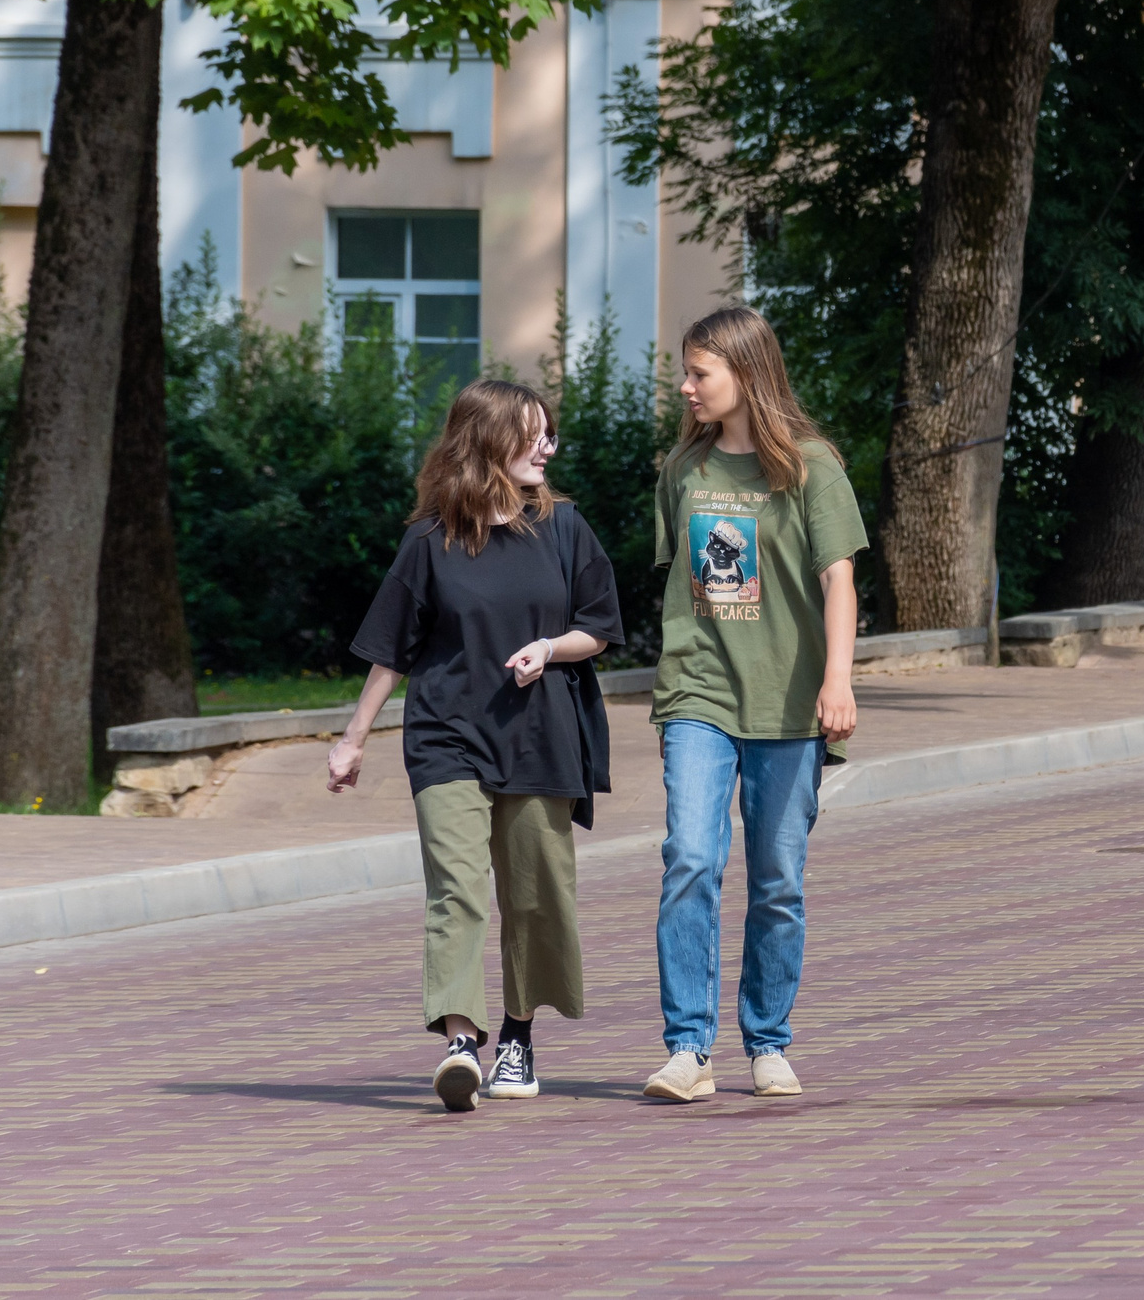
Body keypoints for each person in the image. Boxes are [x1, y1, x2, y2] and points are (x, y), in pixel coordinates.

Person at [327, 379, 625, 1113]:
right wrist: (352, 739)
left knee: (534, 896)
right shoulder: (432, 538)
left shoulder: (565, 527)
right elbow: (391, 649)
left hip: (539, 735)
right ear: (487, 438)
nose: (546, 446)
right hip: (446, 735)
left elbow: (600, 627)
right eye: (532, 433)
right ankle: (462, 1038)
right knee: (457, 889)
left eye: (550, 433)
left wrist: (551, 648)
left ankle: (518, 1036)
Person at [642, 305, 864, 1105]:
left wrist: (837, 680)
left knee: (777, 879)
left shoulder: (810, 468)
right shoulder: (684, 471)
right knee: (691, 859)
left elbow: (839, 581)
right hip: (698, 693)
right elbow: (683, 587)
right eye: (687, 370)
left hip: (790, 702)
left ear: (746, 371)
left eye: (700, 372)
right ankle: (688, 1048)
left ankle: (767, 1040)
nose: (686, 385)